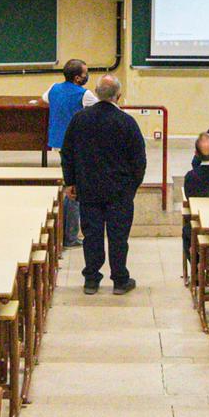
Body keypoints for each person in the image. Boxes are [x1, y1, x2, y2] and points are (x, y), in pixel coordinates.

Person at [60, 75, 147, 295]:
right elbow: (139, 160)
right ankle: (119, 280)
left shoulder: (80, 119)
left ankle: (91, 279)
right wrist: (132, 187)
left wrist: (70, 182)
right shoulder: (126, 122)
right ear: (119, 96)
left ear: (97, 94)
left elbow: (67, 153)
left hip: (88, 189)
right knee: (118, 237)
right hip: (119, 191)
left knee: (92, 235)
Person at [45, 59, 98, 248]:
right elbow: (102, 108)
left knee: (69, 185)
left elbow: (45, 98)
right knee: (74, 191)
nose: (87, 76)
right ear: (78, 78)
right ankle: (71, 236)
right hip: (76, 146)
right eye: (85, 73)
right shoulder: (86, 95)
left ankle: (66, 234)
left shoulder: (53, 88)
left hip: (58, 142)